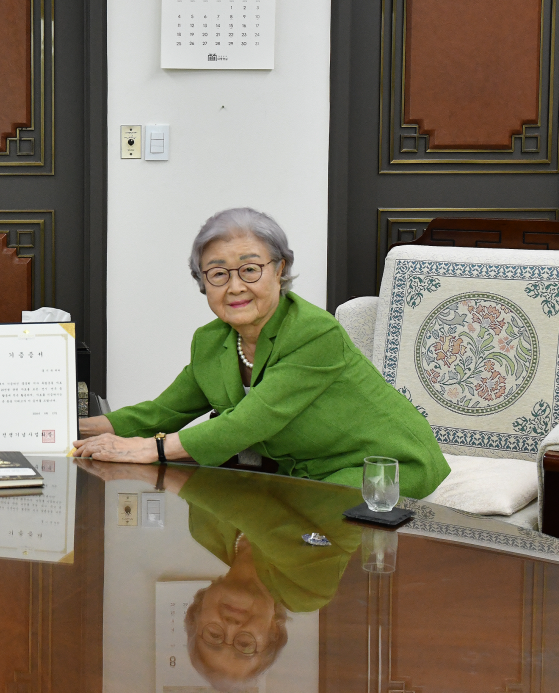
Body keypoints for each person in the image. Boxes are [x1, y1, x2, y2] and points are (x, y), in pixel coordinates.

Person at [73, 207, 449, 499]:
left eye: (250, 269)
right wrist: (68, 431)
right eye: (217, 274)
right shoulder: (212, 341)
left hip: (380, 466)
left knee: (292, 527)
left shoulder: (314, 332)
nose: (235, 287)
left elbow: (250, 422)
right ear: (203, 283)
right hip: (305, 472)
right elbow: (162, 412)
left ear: (279, 269)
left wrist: (151, 448)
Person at [78, 460, 362, 691]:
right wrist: (189, 485)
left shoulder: (204, 530)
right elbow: (309, 530)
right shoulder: (309, 591)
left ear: (197, 611)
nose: (230, 625)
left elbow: (213, 457)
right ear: (273, 631)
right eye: (245, 644)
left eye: (213, 635)